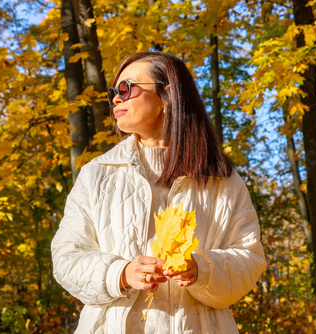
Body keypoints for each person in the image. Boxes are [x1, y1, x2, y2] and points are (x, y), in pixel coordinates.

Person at [51, 51, 266, 333]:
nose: (116, 98)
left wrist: (202, 269)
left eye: (127, 89)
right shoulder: (98, 173)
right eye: (113, 92)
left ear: (168, 95)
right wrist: (122, 273)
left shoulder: (221, 179)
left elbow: (249, 260)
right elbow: (67, 257)